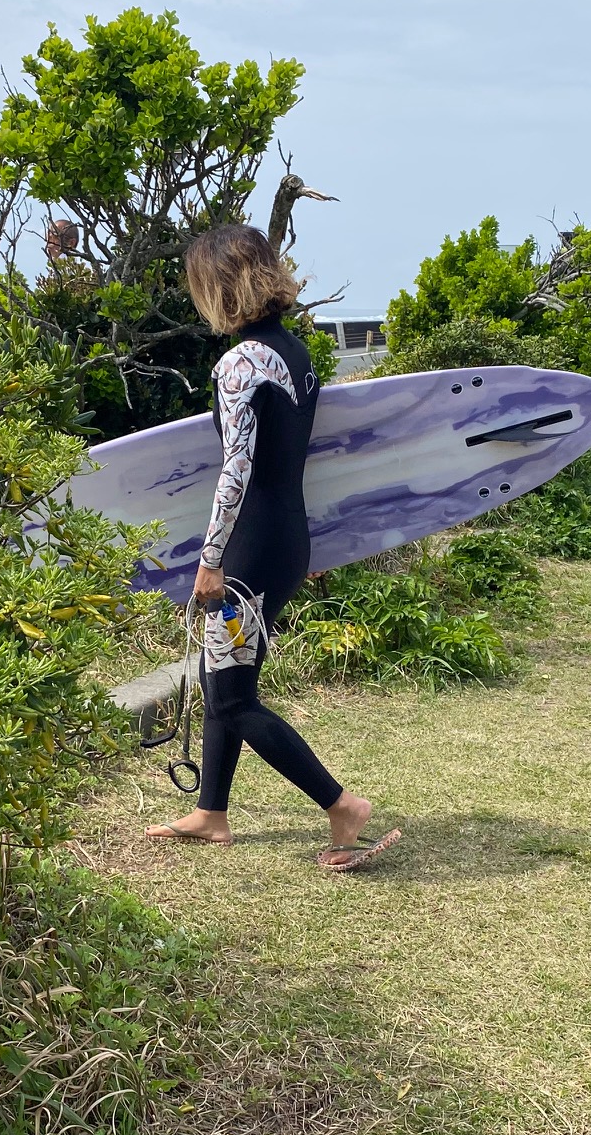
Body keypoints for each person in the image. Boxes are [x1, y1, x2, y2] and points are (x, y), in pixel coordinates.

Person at [143, 224, 401, 871]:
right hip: (286, 536)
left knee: (233, 697)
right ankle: (211, 812)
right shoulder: (295, 352)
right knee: (222, 677)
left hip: (249, 551)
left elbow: (237, 468)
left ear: (218, 286)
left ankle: (342, 805)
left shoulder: (239, 364)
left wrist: (210, 561)